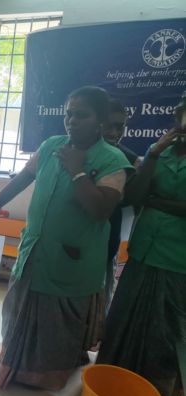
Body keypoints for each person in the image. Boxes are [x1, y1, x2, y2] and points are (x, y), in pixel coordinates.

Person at [0, 86, 133, 391]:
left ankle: (44, 377)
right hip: (34, 250)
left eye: (81, 115)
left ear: (100, 120)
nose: (72, 121)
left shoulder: (112, 159)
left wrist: (77, 171)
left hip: (73, 260)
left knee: (56, 323)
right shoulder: (50, 146)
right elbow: (21, 180)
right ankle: (11, 360)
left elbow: (100, 210)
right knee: (17, 309)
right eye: (69, 114)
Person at [97, 93, 186, 396]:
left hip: (177, 259)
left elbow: (150, 199)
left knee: (164, 331)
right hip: (143, 250)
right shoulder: (159, 152)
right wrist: (153, 155)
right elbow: (134, 197)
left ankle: (155, 395)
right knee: (124, 319)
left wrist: (156, 201)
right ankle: (112, 384)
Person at [102, 98, 140, 313]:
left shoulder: (131, 161)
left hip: (107, 237)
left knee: (97, 297)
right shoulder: (75, 151)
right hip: (67, 237)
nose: (115, 132)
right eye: (110, 125)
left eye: (120, 127)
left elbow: (134, 200)